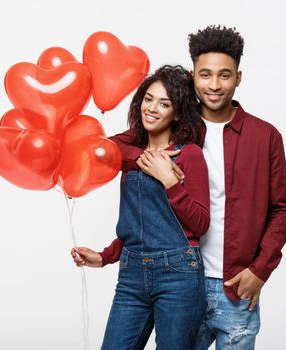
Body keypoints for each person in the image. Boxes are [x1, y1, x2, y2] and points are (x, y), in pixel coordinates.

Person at [91, 25, 286, 349]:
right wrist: (153, 158)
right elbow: (112, 147)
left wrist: (260, 269)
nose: (214, 85)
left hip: (234, 286)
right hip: (183, 280)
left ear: (238, 78)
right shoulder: (176, 124)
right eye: (205, 75)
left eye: (224, 75)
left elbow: (281, 209)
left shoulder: (265, 136)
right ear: (193, 75)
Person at [71, 65, 210, 350]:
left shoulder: (189, 154)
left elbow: (201, 223)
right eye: (148, 99)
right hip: (132, 273)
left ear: (178, 112)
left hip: (178, 275)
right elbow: (104, 147)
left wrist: (170, 181)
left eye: (164, 103)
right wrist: (106, 256)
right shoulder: (130, 149)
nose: (153, 109)